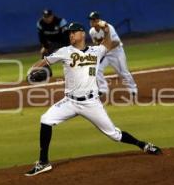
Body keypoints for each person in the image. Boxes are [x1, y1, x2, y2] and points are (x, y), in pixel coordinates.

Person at [25, 21, 161, 177]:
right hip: (70, 102)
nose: (70, 35)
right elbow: (45, 60)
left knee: (114, 135)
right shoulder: (65, 51)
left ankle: (143, 145)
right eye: (69, 33)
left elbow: (109, 42)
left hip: (91, 103)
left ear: (82, 34)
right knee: (46, 119)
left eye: (73, 32)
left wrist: (105, 28)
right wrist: (31, 71)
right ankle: (43, 163)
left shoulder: (96, 51)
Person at [88, 11, 138, 96]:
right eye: (91, 20)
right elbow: (97, 44)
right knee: (96, 68)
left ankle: (133, 89)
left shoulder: (108, 27)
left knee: (123, 72)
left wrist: (104, 49)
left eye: (94, 20)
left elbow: (116, 42)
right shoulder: (92, 31)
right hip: (105, 55)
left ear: (98, 20)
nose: (92, 22)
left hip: (116, 53)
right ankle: (103, 89)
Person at [36, 9, 70, 76]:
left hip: (63, 42)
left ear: (52, 16)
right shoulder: (40, 23)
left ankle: (72, 71)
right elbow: (41, 38)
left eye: (48, 17)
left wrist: (66, 48)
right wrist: (45, 47)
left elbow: (67, 36)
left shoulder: (60, 21)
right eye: (45, 17)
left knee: (69, 55)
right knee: (44, 53)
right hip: (51, 43)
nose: (47, 19)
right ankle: (47, 72)